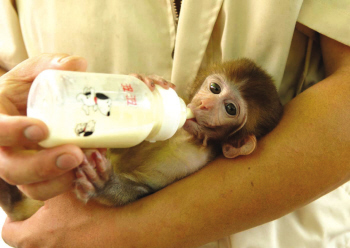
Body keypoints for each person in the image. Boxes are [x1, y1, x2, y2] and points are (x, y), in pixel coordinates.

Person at [0, 0, 350, 247]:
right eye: (213, 88)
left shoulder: (195, 157)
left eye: (229, 109)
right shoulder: (176, 111)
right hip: (50, 200)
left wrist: (125, 229)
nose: (206, 103)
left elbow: (136, 190)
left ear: (238, 143)